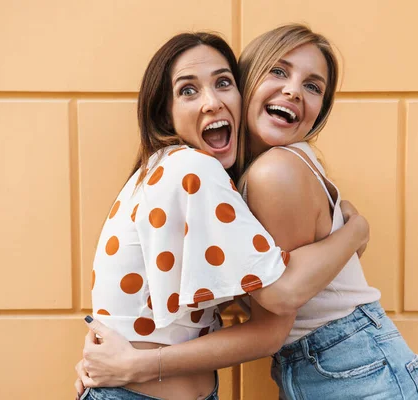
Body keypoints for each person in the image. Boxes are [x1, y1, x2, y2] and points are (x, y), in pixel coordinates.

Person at [76, 29, 370, 400]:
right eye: (188, 90)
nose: (212, 102)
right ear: (164, 113)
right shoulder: (194, 171)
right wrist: (356, 230)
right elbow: (280, 296)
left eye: (223, 83)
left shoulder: (164, 171)